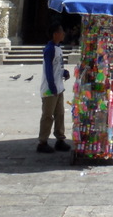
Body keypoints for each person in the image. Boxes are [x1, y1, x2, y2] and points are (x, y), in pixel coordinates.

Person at [37, 22, 71, 153]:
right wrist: (52, 87)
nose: (64, 33)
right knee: (47, 115)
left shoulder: (58, 48)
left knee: (60, 114)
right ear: (55, 34)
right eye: (61, 31)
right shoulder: (49, 49)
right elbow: (48, 70)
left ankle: (60, 139)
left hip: (59, 87)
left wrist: (64, 72)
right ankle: (42, 142)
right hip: (50, 89)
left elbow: (57, 67)